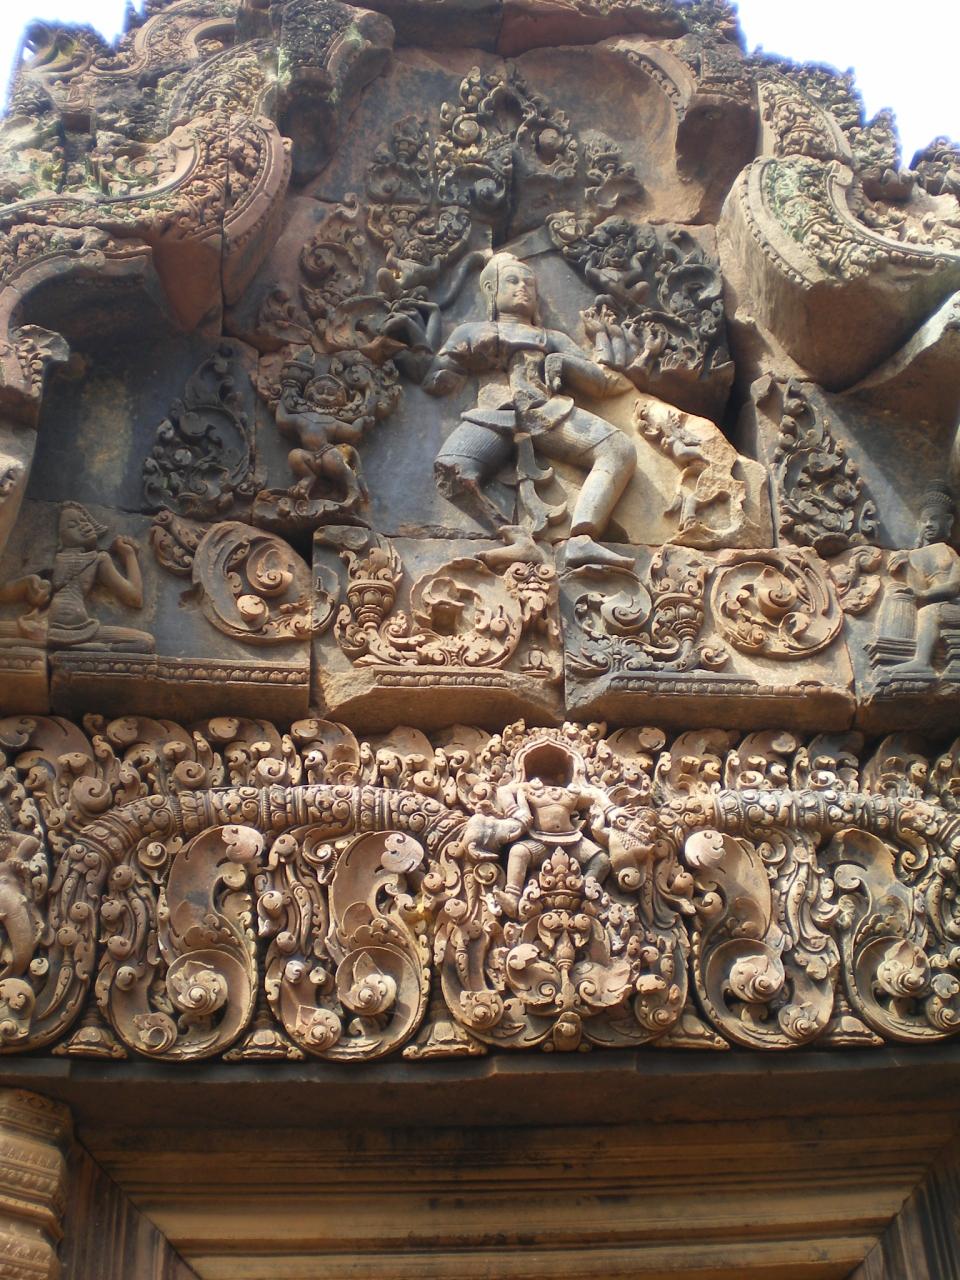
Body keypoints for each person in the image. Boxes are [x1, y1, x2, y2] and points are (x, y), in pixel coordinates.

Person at [424, 252, 637, 568]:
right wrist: (425, 345)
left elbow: (599, 381)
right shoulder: (471, 332)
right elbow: (436, 380)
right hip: (494, 416)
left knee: (619, 449)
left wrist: (564, 361)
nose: (522, 288)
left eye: (529, 284)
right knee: (452, 470)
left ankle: (582, 538)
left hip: (544, 413)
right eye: (512, 281)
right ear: (492, 289)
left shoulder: (550, 337)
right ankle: (516, 538)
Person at [48, 502, 153, 651]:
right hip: (49, 626)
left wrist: (129, 554)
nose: (83, 526)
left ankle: (93, 650)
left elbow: (135, 598)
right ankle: (95, 650)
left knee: (145, 642)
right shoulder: (50, 559)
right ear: (60, 537)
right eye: (72, 525)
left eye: (85, 522)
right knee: (145, 642)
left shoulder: (98, 559)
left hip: (81, 627)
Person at [887, 484, 960, 674]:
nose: (928, 524)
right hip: (942, 606)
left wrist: (922, 594)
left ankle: (922, 662)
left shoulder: (950, 553)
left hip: (954, 605)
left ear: (949, 521)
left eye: (934, 519)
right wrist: (908, 562)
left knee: (929, 612)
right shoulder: (915, 555)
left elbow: (954, 587)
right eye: (924, 521)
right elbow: (915, 589)